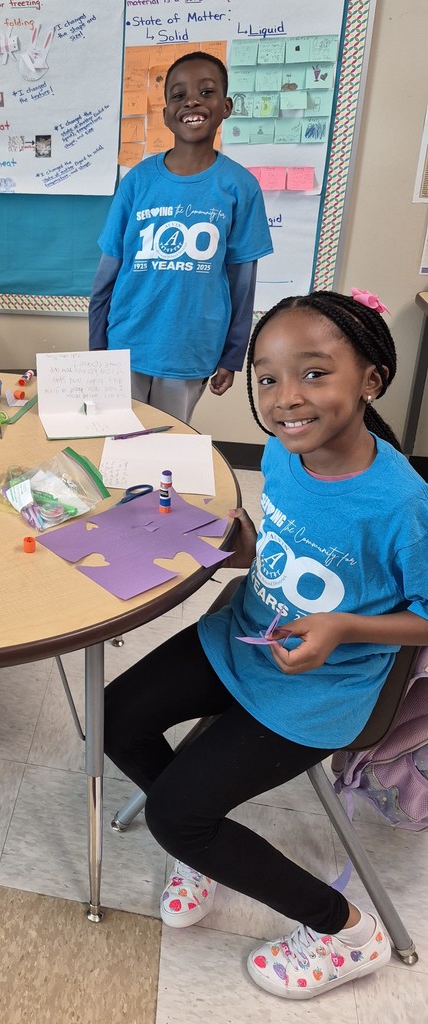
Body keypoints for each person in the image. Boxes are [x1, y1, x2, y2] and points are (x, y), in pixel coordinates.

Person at [103, 289, 428, 999]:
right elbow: (273, 550)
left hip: (320, 690)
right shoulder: (283, 454)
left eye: (314, 373)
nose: (287, 399)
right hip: (244, 637)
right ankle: (200, 844)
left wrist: (344, 627)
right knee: (115, 717)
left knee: (175, 815)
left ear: (371, 380)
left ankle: (347, 933)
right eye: (269, 379)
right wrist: (236, 545)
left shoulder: (403, 504)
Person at [89, 51, 273, 423]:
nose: (191, 101)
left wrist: (232, 354)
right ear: (166, 114)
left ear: (226, 107)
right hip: (126, 342)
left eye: (206, 92)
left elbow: (242, 282)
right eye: (178, 95)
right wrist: (97, 346)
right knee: (116, 438)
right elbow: (107, 275)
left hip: (190, 348)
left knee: (168, 442)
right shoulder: (137, 181)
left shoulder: (240, 186)